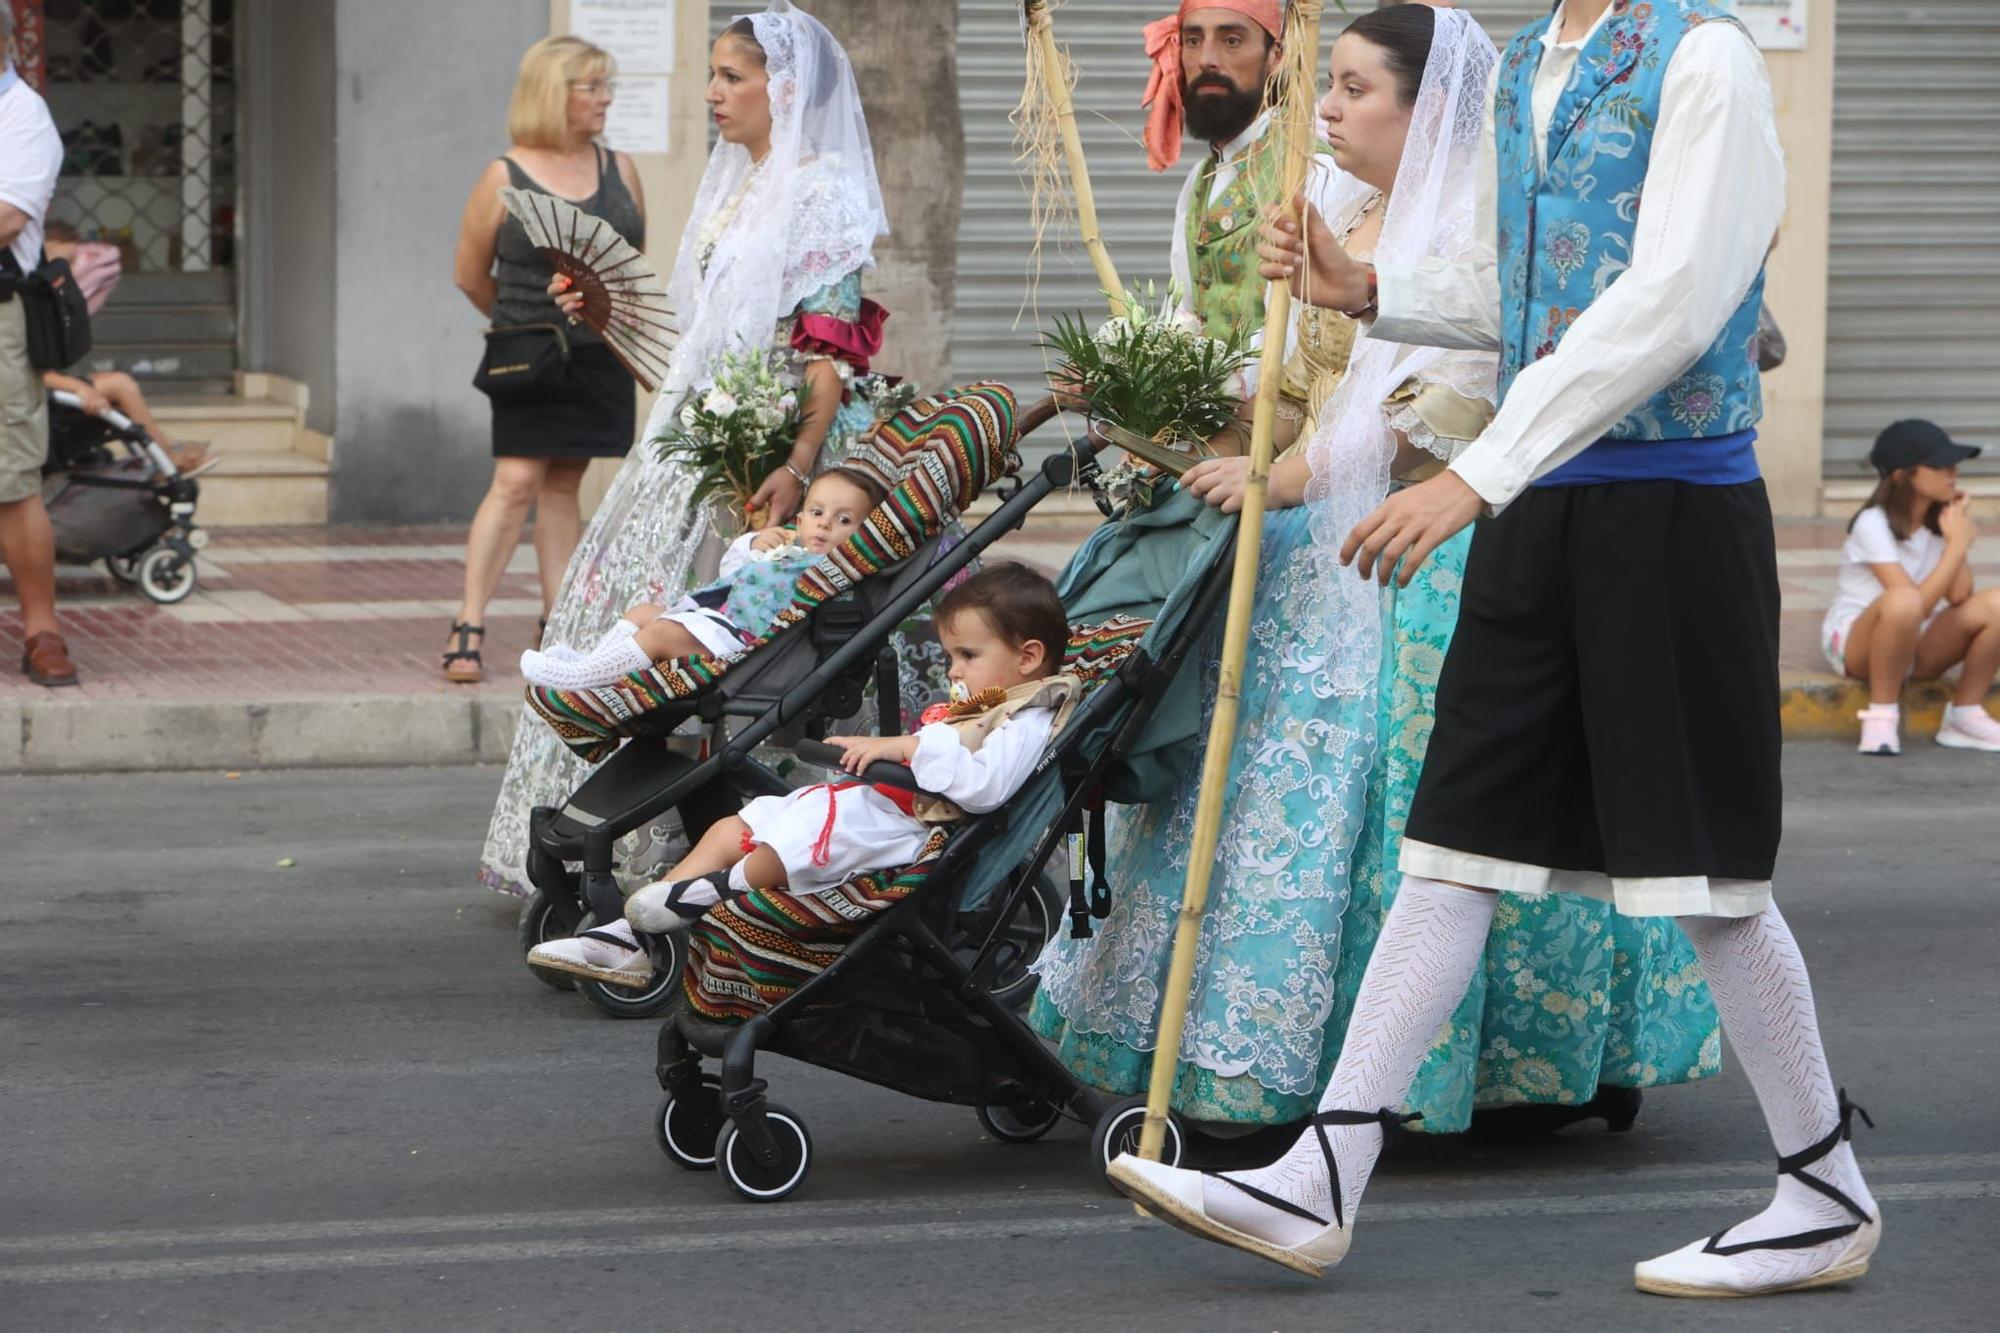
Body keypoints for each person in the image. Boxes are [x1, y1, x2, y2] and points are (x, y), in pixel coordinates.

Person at [1111, 0, 1883, 1301]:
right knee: (1451, 844)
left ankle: (1822, 1189)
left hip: (1671, 510)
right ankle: (1324, 1177)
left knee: (1704, 876)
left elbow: (1676, 301)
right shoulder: (1530, 61)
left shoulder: (1709, 57)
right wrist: (1374, 290)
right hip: (1547, 505)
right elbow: (1527, 289)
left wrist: (1477, 475)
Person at [1031, 4, 1718, 1137]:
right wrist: (1182, 413)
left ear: (1426, 106)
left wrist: (1300, 472)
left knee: (1428, 820)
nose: (1329, 110)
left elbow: (1451, 400)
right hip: (1311, 537)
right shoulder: (1332, 207)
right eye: (1328, 86)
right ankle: (1253, 1052)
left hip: (1423, 545)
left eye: (1354, 90)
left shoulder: (1487, 226)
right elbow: (1291, 374)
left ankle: (1489, 1067)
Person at [478, 0, 889, 901]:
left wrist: (797, 461)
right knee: (670, 638)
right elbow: (693, 352)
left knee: (751, 654)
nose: (712, 94)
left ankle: (778, 847)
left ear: (783, 90)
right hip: (708, 437)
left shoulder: (822, 193)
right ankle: (633, 830)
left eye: (730, 77)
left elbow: (828, 353)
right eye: (711, 75)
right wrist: (602, 320)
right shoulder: (734, 187)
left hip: (780, 448)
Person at [525, 562, 1081, 988]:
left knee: (785, 851)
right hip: (874, 804)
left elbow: (986, 790)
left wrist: (912, 745)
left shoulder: (1027, 721)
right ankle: (626, 938)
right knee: (730, 830)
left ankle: (684, 901)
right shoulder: (988, 702)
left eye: (967, 655)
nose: (955, 670)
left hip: (906, 833)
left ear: (1028, 658)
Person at [445, 34, 649, 684]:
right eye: (589, 87)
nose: (605, 99)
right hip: (531, 355)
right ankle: (469, 620)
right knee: (514, 483)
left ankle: (556, 621)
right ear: (551, 94)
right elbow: (471, 275)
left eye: (604, 86)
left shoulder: (620, 167)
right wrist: (520, 322)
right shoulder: (503, 175)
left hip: (600, 352)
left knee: (564, 483)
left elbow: (629, 264)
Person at [518, 466, 884, 689]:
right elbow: (732, 573)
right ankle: (592, 668)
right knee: (645, 611)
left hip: (744, 646)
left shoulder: (832, 571)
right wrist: (754, 543)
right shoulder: (788, 550)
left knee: (659, 633)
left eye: (844, 520)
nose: (825, 524)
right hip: (721, 621)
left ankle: (584, 678)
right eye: (817, 512)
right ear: (800, 519)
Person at [1824, 420, 2000, 755]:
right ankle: (1881, 714)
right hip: (1859, 646)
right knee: (1903, 600)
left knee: (1997, 604)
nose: (1953, 472)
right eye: (1940, 465)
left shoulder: (1939, 524)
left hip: (1914, 643)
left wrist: (1954, 538)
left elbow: (1961, 596)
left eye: (1954, 464)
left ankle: (1964, 715)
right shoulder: (1871, 523)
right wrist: (1957, 546)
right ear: (1902, 475)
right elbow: (1912, 605)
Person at [0, 22, 76, 688]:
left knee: (11, 482)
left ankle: (41, 630)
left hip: (0, 317)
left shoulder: (23, 115)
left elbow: (7, 216)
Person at [38, 224, 216, 477]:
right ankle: (166, 455)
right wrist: (79, 388)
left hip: (44, 390)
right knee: (120, 384)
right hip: (36, 396)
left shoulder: (46, 295)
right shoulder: (26, 298)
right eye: (64, 261)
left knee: (119, 389)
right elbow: (27, 370)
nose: (70, 269)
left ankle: (163, 451)